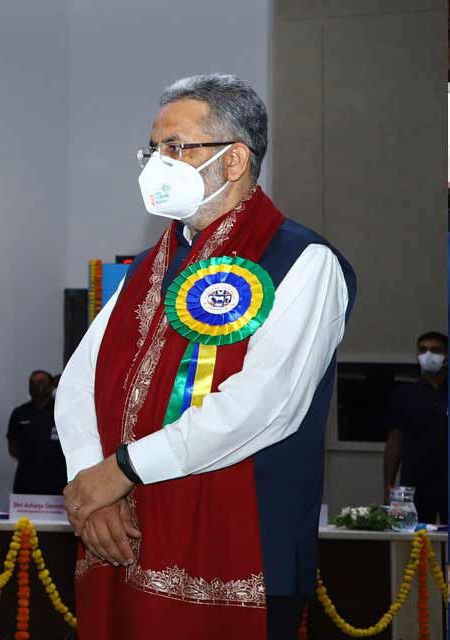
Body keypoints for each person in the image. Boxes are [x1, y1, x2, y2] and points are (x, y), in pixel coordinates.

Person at [57, 74, 355, 639]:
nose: (156, 164)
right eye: (152, 149)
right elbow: (79, 382)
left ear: (235, 161)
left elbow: (265, 407)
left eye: (176, 148)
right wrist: (90, 487)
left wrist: (121, 470)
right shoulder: (148, 266)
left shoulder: (303, 261)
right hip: (126, 537)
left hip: (244, 545)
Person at [384, 331, 448, 525]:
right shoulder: (406, 394)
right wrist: (388, 485)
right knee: (413, 540)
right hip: (415, 482)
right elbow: (395, 441)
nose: (428, 355)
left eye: (435, 350)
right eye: (423, 350)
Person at [7, 370, 65, 496]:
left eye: (41, 382)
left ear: (51, 386)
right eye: (32, 382)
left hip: (57, 479)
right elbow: (12, 446)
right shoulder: (20, 412)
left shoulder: (62, 411)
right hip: (26, 478)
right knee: (23, 516)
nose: (36, 385)